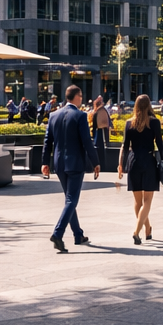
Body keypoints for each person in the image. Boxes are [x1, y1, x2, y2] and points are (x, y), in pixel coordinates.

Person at [41, 85, 100, 253]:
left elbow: (47, 142)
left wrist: (45, 162)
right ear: (77, 97)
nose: (81, 99)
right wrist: (95, 162)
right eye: (81, 96)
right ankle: (58, 233)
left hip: (59, 164)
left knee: (69, 198)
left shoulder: (53, 115)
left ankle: (78, 234)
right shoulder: (80, 116)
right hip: (75, 164)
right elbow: (87, 141)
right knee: (71, 200)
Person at [117, 94, 163, 243]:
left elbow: (125, 147)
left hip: (133, 162)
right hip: (149, 162)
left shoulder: (128, 123)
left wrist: (120, 165)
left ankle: (148, 228)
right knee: (148, 200)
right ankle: (136, 232)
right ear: (149, 105)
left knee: (138, 202)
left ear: (136, 106)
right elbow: (160, 144)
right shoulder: (154, 123)